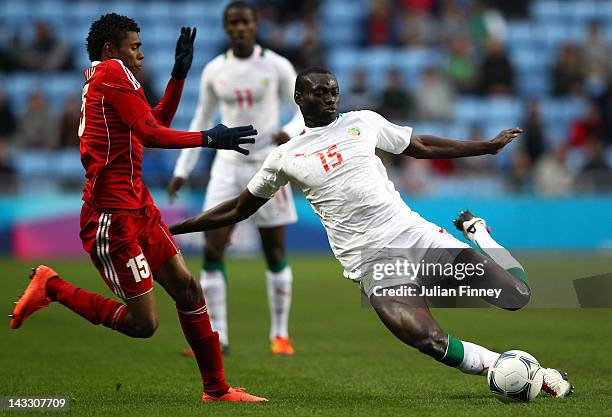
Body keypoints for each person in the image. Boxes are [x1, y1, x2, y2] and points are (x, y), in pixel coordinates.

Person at [169, 67, 574, 398]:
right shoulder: (284, 157)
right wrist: (178, 226)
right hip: (373, 264)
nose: (329, 98)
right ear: (299, 98)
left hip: (415, 236)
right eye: (319, 92)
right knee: (429, 341)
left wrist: (483, 147)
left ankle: (479, 232)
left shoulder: (364, 121)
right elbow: (240, 207)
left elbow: (420, 146)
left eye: (333, 91)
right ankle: (517, 371)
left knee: (516, 297)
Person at [10, 13, 266, 403]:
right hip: (112, 217)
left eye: (142, 47)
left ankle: (216, 390)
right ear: (112, 50)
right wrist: (210, 138)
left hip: (138, 205)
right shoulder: (112, 72)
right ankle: (52, 286)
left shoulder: (112, 76)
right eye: (135, 47)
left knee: (188, 288)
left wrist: (178, 76)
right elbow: (151, 133)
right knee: (143, 324)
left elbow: (153, 122)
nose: (142, 55)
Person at [167, 1, 303, 355]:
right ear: (227, 28)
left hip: (269, 165)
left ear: (256, 25)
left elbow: (302, 110)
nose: (240, 28)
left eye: (246, 21)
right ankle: (219, 336)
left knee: (274, 250)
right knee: (212, 248)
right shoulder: (214, 70)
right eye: (234, 23)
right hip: (225, 168)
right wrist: (182, 169)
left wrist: (289, 131)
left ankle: (280, 334)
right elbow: (200, 120)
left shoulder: (276, 65)